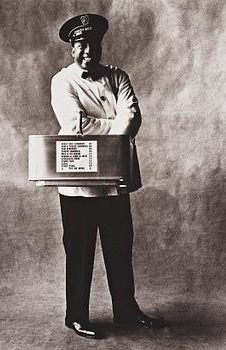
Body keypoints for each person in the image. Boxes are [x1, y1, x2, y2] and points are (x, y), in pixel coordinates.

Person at [51, 13, 165, 339]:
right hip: (80, 184)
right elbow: (75, 127)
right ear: (72, 48)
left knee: (119, 246)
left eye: (93, 43)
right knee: (80, 249)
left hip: (116, 181)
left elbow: (133, 115)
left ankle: (126, 311)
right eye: (81, 44)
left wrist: (111, 125)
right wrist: (116, 129)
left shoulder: (118, 76)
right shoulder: (63, 81)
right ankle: (76, 315)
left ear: (101, 45)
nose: (88, 50)